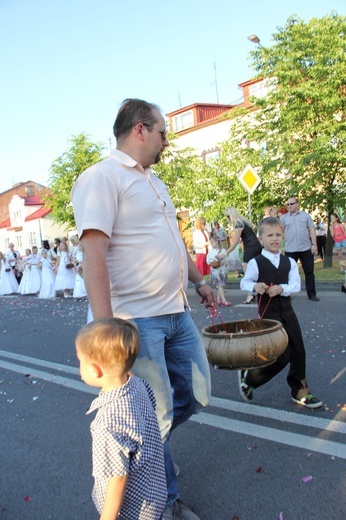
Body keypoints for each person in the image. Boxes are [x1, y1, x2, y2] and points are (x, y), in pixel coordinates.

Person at [71, 98, 213, 520]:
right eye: (163, 131)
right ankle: (162, 498)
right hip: (136, 320)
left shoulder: (155, 181)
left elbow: (173, 239)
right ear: (140, 130)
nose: (167, 140)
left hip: (176, 311)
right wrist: (104, 329)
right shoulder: (101, 177)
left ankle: (151, 451)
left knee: (197, 395)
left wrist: (200, 282)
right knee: (160, 412)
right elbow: (93, 254)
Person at [75, 318, 167, 520]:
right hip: (155, 492)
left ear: (94, 370)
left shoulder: (107, 423)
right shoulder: (138, 385)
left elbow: (116, 478)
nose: (79, 365)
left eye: (80, 360)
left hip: (133, 511)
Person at [239, 217, 322, 409]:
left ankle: (300, 391)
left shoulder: (289, 262)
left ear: (283, 237)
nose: (274, 239)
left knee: (298, 351)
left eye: (278, 235)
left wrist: (282, 289)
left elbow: (295, 285)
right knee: (281, 356)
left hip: (288, 313)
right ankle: (251, 378)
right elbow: (245, 283)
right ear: (261, 239)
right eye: (270, 235)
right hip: (270, 317)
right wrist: (255, 286)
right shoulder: (256, 262)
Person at [280, 197, 319, 301]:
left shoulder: (305, 216)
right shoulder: (283, 218)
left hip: (305, 248)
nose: (289, 206)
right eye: (287, 204)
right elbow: (280, 233)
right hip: (290, 249)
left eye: (291, 204)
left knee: (309, 271)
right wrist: (279, 247)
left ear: (297, 204)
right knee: (287, 272)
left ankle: (311, 294)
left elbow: (311, 229)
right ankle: (287, 294)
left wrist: (314, 244)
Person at [224, 206, 262, 304]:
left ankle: (251, 294)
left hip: (251, 247)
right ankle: (256, 291)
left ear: (230, 216)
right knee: (254, 269)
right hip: (255, 245)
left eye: (227, 217)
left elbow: (235, 242)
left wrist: (225, 253)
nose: (227, 219)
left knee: (246, 269)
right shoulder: (243, 222)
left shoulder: (238, 224)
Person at [206, 236, 231, 306]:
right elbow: (208, 259)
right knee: (220, 284)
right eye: (211, 243)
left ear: (217, 242)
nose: (211, 244)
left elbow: (226, 259)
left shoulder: (223, 251)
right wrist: (211, 260)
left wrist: (220, 258)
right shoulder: (211, 251)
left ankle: (218, 299)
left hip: (221, 269)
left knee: (220, 284)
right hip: (215, 270)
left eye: (212, 243)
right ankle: (224, 300)